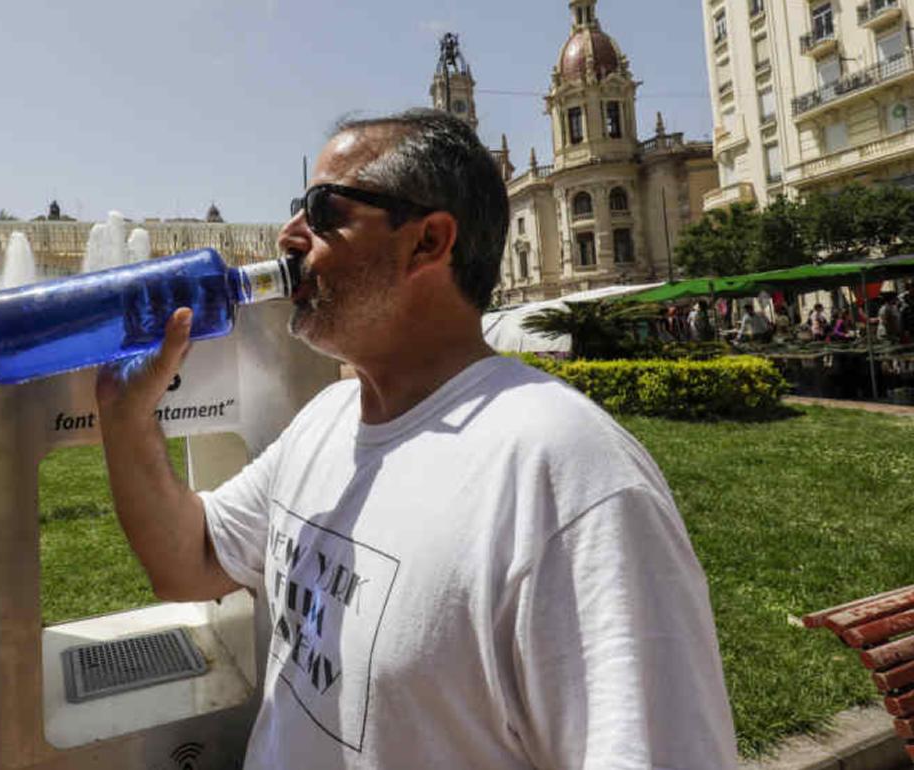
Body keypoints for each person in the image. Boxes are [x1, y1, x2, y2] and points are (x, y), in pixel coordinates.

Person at [95, 108, 736, 769]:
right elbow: (190, 561)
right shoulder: (326, 419)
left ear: (428, 242)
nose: (288, 236)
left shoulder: (570, 477)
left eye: (323, 211)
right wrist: (126, 419)